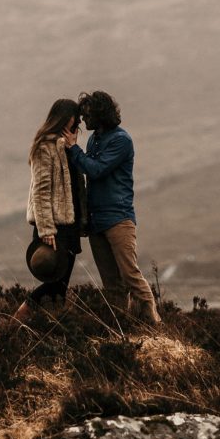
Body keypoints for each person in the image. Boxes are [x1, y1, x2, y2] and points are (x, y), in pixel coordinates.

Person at [63, 90, 161, 325]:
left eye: (87, 115)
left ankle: (156, 324)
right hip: (97, 220)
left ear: (99, 113)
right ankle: (122, 329)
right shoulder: (93, 139)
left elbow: (96, 170)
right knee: (111, 284)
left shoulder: (121, 140)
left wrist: (74, 149)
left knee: (130, 275)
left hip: (118, 218)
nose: (83, 121)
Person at [14, 98, 87, 324]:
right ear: (60, 121)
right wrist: (46, 229)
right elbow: (41, 191)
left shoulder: (67, 146)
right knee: (55, 281)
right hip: (53, 226)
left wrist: (73, 146)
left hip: (70, 223)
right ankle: (22, 314)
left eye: (76, 126)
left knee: (61, 285)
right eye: (71, 124)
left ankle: (51, 327)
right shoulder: (44, 146)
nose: (74, 129)